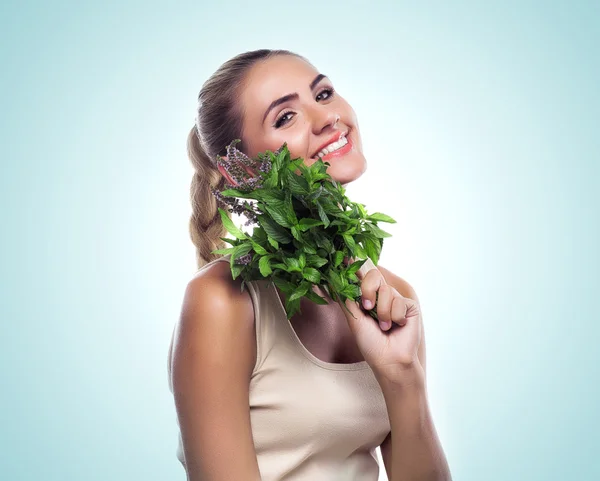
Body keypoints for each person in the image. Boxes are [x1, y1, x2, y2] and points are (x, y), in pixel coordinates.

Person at [167, 49, 452, 481]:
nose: (326, 118)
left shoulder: (395, 297)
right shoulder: (223, 299)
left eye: (323, 93)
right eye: (285, 117)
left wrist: (401, 376)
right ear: (243, 173)